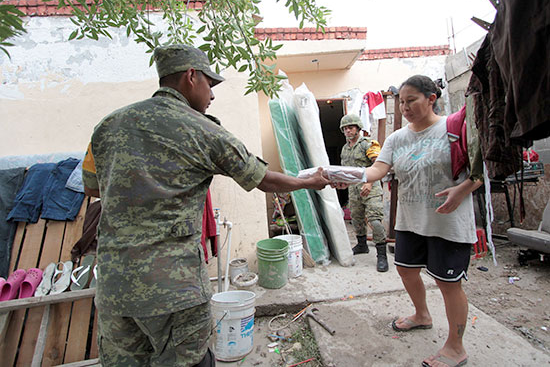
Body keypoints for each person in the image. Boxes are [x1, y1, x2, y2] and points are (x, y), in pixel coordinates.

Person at [82, 44, 330, 367]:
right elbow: (262, 179)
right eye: (210, 85)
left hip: (116, 289)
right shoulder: (204, 130)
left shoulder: (107, 127)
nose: (211, 96)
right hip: (175, 291)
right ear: (191, 76)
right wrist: (309, 182)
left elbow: (91, 188)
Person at [338, 75, 481, 367]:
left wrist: (462, 189)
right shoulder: (396, 138)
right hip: (409, 220)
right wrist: (340, 176)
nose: (404, 107)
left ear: (431, 98)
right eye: (401, 102)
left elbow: (481, 169)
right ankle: (422, 315)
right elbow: (378, 169)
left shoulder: (454, 128)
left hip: (448, 222)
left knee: (448, 283)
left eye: (411, 100)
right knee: (405, 270)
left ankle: (456, 347)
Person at [339, 113, 388, 272]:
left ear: (358, 128)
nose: (347, 130)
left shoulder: (368, 144)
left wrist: (369, 182)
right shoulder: (345, 149)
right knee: (357, 220)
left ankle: (382, 255)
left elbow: (378, 165)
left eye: (350, 127)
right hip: (354, 190)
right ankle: (362, 245)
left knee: (374, 221)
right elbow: (346, 170)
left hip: (370, 188)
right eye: (345, 128)